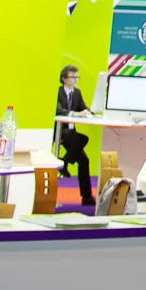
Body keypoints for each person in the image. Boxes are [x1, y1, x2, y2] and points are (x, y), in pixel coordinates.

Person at [54, 64, 95, 206]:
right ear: (64, 79)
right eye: (73, 77)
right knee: (83, 139)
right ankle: (64, 162)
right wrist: (75, 114)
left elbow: (83, 107)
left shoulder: (76, 93)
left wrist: (90, 112)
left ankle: (87, 197)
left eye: (77, 77)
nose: (76, 80)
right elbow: (58, 110)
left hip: (71, 132)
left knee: (84, 160)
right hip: (60, 131)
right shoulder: (57, 92)